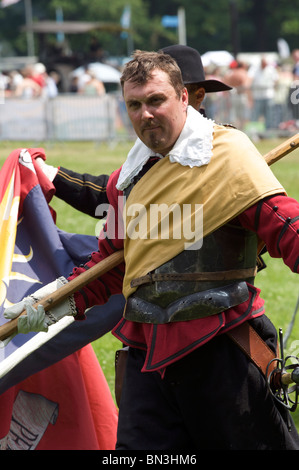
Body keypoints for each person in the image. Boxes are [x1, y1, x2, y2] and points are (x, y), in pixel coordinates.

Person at [5, 50, 299, 451]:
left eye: (156, 100)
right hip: (147, 354)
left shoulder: (228, 156)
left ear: (184, 98)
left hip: (223, 346)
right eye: (135, 104)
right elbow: (110, 266)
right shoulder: (125, 181)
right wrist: (53, 303)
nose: (146, 114)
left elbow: (289, 230)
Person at [35, 45, 231, 217]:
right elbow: (110, 196)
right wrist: (50, 174)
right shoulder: (149, 150)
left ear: (190, 96)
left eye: (157, 98)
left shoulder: (223, 149)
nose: (148, 113)